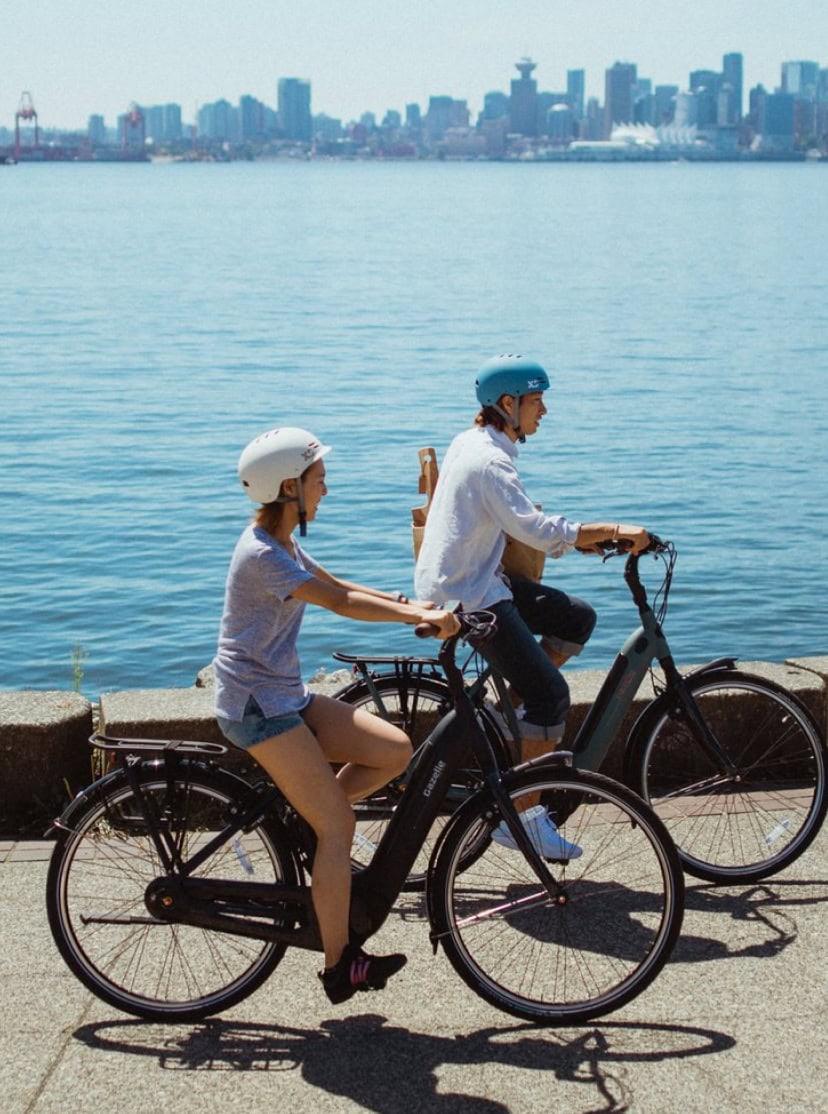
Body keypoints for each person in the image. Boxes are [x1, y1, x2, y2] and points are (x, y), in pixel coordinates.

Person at [214, 426, 459, 1005]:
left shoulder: (283, 542)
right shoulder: (261, 554)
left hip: (284, 696)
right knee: (339, 827)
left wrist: (410, 604)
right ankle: (339, 964)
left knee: (393, 750)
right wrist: (412, 621)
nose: (327, 488)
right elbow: (341, 604)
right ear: (290, 487)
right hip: (257, 708)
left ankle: (316, 815)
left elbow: (337, 584)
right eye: (320, 479)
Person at [414, 354, 650, 860]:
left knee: (576, 618)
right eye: (537, 402)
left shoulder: (475, 442)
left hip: (474, 576)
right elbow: (536, 531)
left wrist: (580, 542)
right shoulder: (490, 461)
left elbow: (522, 526)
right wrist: (609, 530)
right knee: (551, 696)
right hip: (469, 595)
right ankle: (523, 817)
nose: (544, 412)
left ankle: (510, 712)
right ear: (508, 404)